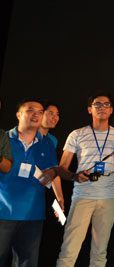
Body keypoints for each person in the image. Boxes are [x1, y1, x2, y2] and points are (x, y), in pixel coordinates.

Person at [53, 93, 114, 267]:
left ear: (111, 110)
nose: (102, 107)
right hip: (83, 194)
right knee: (69, 249)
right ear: (90, 109)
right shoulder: (77, 134)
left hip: (108, 196)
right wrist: (74, 176)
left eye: (106, 104)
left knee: (100, 251)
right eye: (97, 104)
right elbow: (61, 168)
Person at [0, 99, 59, 267]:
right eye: (30, 110)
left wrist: (52, 179)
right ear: (18, 114)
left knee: (27, 263)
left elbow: (53, 172)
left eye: (40, 111)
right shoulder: (3, 138)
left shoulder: (47, 144)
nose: (36, 114)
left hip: (33, 216)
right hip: (3, 213)